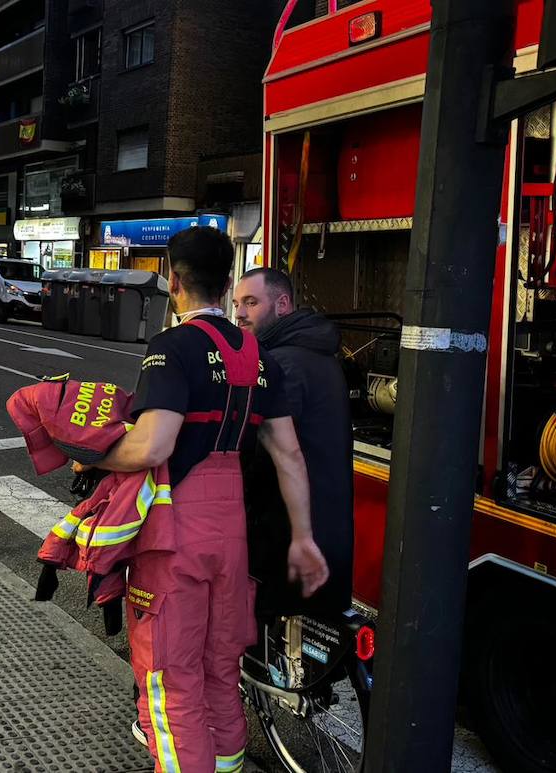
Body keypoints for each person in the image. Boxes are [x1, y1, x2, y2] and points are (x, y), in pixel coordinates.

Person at [85, 227, 328, 773]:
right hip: (231, 528)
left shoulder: (173, 347)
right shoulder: (258, 355)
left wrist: (91, 454)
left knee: (171, 679)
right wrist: (305, 538)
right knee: (221, 669)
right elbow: (290, 455)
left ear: (174, 281)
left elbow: (152, 445)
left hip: (178, 532)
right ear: (225, 283)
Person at [234, 267, 354, 618]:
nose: (240, 314)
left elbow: (260, 455)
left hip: (287, 538)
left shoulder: (281, 364)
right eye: (238, 303)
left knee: (272, 641)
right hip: (324, 530)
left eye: (251, 303)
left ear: (282, 304)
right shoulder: (314, 354)